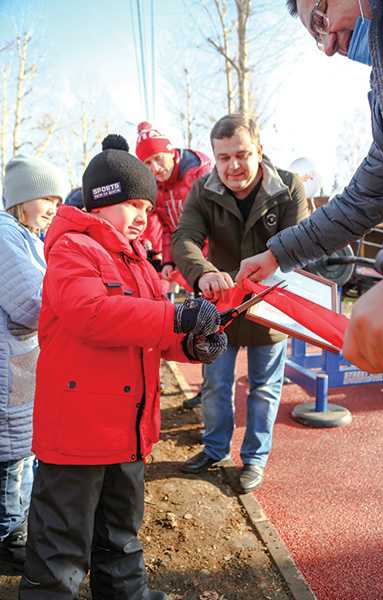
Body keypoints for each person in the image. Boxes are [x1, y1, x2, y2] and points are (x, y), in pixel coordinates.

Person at [19, 134, 227, 600]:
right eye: (133, 204)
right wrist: (176, 316)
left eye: (148, 209)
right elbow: (90, 313)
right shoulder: (73, 249)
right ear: (101, 201)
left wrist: (192, 344)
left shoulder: (138, 262)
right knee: (60, 549)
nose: (142, 217)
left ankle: (128, 594)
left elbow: (150, 331)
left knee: (122, 535)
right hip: (77, 434)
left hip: (128, 430)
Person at [236, 0, 383, 376]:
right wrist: (276, 255)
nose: (328, 47)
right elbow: (360, 201)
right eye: (317, 37)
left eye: (322, 19)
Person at [172, 113, 308, 493]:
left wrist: (273, 267)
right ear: (215, 158)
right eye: (224, 157)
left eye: (242, 154)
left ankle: (255, 459)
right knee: (216, 384)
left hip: (271, 305)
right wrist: (202, 272)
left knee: (265, 387)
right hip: (220, 305)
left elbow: (301, 242)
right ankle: (215, 448)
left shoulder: (289, 187)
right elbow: (184, 237)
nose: (233, 166)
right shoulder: (202, 190)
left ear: (259, 151)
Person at [0, 155, 65, 572]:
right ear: (21, 199)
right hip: (9, 365)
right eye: (47, 199)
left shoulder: (24, 235)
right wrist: (69, 310)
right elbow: (31, 303)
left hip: (18, 362)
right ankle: (9, 533)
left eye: (59, 201)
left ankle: (16, 524)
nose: (54, 209)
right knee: (12, 454)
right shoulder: (6, 236)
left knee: (20, 449)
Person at [136, 121, 212, 409]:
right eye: (148, 162)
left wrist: (211, 261)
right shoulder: (157, 189)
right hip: (191, 263)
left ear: (171, 152)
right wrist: (169, 259)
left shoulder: (199, 172)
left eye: (158, 158)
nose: (155, 167)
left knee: (221, 321)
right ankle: (210, 386)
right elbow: (168, 229)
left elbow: (218, 218)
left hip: (214, 259)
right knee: (203, 323)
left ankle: (218, 389)